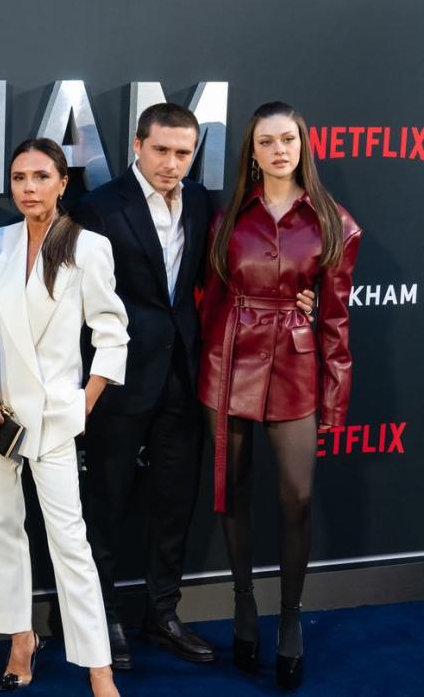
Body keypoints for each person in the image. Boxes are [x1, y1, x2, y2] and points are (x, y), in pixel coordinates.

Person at [69, 103, 315, 670]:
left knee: (175, 503)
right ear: (137, 145)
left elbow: (252, 271)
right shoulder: (98, 208)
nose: (172, 163)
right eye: (161, 150)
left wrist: (306, 297)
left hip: (188, 375)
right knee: (105, 504)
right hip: (118, 378)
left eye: (184, 153)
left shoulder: (208, 205)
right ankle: (99, 619)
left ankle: (163, 613)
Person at [198, 101, 360, 691]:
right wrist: (206, 371)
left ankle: (290, 617)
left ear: (303, 145)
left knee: (297, 498)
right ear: (253, 151)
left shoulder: (333, 223)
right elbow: (210, 302)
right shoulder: (228, 219)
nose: (278, 150)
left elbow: (337, 320)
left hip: (295, 367)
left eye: (287, 139)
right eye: (266, 141)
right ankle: (244, 604)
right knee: (232, 493)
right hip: (228, 364)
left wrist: (335, 398)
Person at [0, 138, 125, 697]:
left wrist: (80, 404)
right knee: (2, 530)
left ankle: (98, 668)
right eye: (19, 178)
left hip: (56, 417)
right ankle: (21, 641)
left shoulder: (89, 247)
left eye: (41, 176)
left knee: (71, 542)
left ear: (64, 182)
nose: (29, 188)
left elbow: (112, 334)